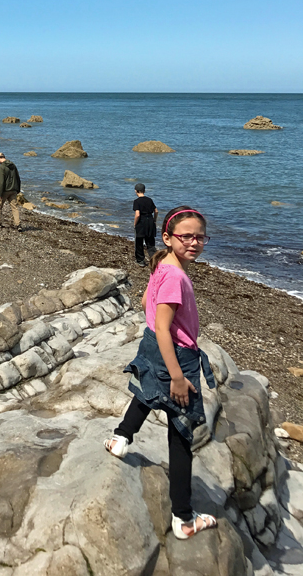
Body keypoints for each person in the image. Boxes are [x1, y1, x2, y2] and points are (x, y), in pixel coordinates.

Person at [104, 206, 218, 540]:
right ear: (168, 237)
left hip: (152, 345)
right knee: (181, 434)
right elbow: (167, 328)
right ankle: (183, 518)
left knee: (146, 391)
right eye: (186, 237)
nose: (194, 243)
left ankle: (120, 438)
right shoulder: (176, 276)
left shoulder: (163, 264)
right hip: (175, 356)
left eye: (200, 237)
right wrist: (179, 377)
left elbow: (144, 304)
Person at [0, 152, 21, 230]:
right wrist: (18, 189)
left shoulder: (2, 167)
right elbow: (18, 178)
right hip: (13, 190)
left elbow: (1, 182)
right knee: (14, 207)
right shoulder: (13, 165)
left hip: (5, 190)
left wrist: (0, 193)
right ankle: (18, 224)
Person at [133, 183, 158, 266]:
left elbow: (137, 214)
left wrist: (135, 224)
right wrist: (154, 220)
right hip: (150, 221)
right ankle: (154, 260)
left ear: (136, 191)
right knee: (150, 243)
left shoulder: (137, 201)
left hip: (141, 222)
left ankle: (140, 261)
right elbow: (156, 211)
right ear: (144, 191)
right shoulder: (149, 200)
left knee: (139, 242)